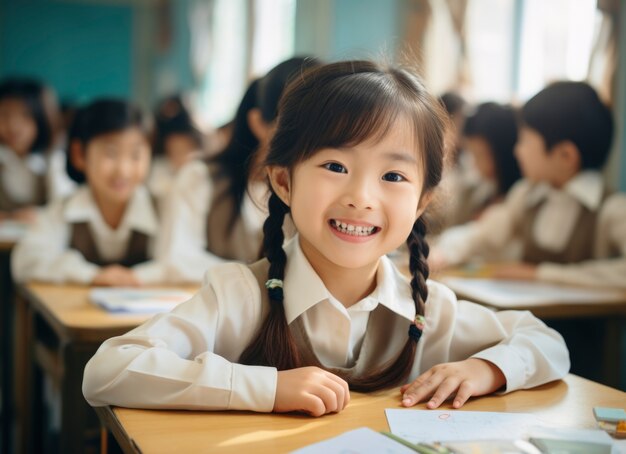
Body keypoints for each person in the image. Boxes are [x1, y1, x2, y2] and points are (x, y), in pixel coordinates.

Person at [83, 61, 568, 416]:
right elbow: (108, 369)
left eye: (394, 176)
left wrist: (488, 371)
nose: (361, 197)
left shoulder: (429, 310)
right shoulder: (239, 296)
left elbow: (546, 342)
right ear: (284, 182)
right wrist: (267, 388)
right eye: (335, 166)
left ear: (422, 200)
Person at [431, 81, 626, 289]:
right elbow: (483, 234)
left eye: (525, 141)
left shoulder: (611, 209)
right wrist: (443, 252)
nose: (517, 151)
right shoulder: (525, 195)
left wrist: (539, 274)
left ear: (565, 156)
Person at [158, 56, 319, 282]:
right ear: (258, 123)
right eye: (298, 128)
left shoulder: (322, 191)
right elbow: (177, 262)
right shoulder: (200, 178)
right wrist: (260, 275)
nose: (311, 143)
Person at [12, 98, 165, 286]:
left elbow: (181, 261)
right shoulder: (64, 210)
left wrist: (138, 277)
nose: (123, 170)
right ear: (79, 155)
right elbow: (26, 259)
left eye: (136, 155)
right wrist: (91, 275)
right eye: (111, 153)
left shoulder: (163, 208)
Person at [452, 102, 521, 223]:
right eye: (472, 155)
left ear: (502, 152)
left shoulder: (519, 198)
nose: (475, 164)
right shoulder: (479, 189)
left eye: (480, 156)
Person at [0, 77, 53, 221]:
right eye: (5, 114)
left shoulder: (52, 161)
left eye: (25, 115)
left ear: (40, 119)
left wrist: (40, 214)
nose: (13, 125)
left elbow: (63, 207)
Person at [149, 95, 204, 210]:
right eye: (175, 151)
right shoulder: (159, 168)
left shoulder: (198, 169)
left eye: (186, 149)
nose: (181, 155)